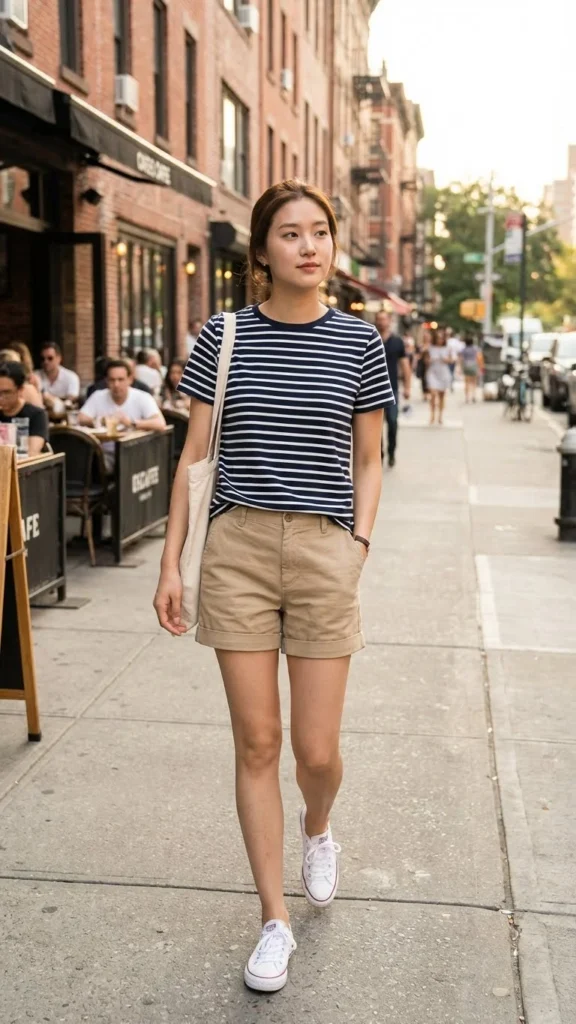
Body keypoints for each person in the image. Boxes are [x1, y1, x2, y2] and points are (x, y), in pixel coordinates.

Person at [153, 179, 393, 993]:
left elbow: (370, 456)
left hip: (326, 550)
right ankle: (273, 918)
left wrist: (357, 543)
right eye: (288, 233)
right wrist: (169, 562)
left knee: (315, 752)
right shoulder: (221, 338)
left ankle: (317, 827)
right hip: (240, 547)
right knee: (257, 742)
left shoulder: (360, 342)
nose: (307, 245)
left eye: (319, 231)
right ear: (261, 251)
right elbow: (193, 460)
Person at [374, 310, 411, 467]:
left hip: (392, 389)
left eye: (384, 319)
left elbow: (404, 365)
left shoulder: (397, 342)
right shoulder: (371, 339)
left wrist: (407, 387)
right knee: (374, 427)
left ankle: (391, 452)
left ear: (389, 321)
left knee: (393, 422)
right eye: (379, 319)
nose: (382, 322)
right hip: (372, 389)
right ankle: (378, 453)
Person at [0, 361, 49, 456]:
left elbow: (32, 453)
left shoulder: (36, 415)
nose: (1, 398)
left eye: (6, 393)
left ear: (20, 390)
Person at [36, 342, 80, 412]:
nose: (45, 362)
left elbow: (72, 399)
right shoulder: (35, 376)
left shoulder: (71, 377)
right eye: (43, 359)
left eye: (50, 358)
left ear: (59, 358)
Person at [86, 356, 154, 398]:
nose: (116, 384)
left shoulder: (143, 390)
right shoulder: (99, 392)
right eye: (112, 380)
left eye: (121, 379)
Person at [426, 329, 452, 425]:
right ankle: (432, 415)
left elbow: (452, 359)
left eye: (441, 338)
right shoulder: (430, 348)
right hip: (433, 372)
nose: (439, 340)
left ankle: (440, 415)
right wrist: (429, 360)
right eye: (438, 338)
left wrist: (446, 359)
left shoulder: (447, 348)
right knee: (433, 394)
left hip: (443, 373)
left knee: (442, 395)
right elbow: (426, 361)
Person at [460, 334, 482, 403]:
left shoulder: (464, 350)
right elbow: (479, 358)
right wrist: (480, 367)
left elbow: (461, 359)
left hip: (466, 366)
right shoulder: (475, 349)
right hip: (473, 365)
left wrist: (461, 367)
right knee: (474, 382)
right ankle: (473, 396)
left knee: (467, 382)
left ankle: (467, 397)